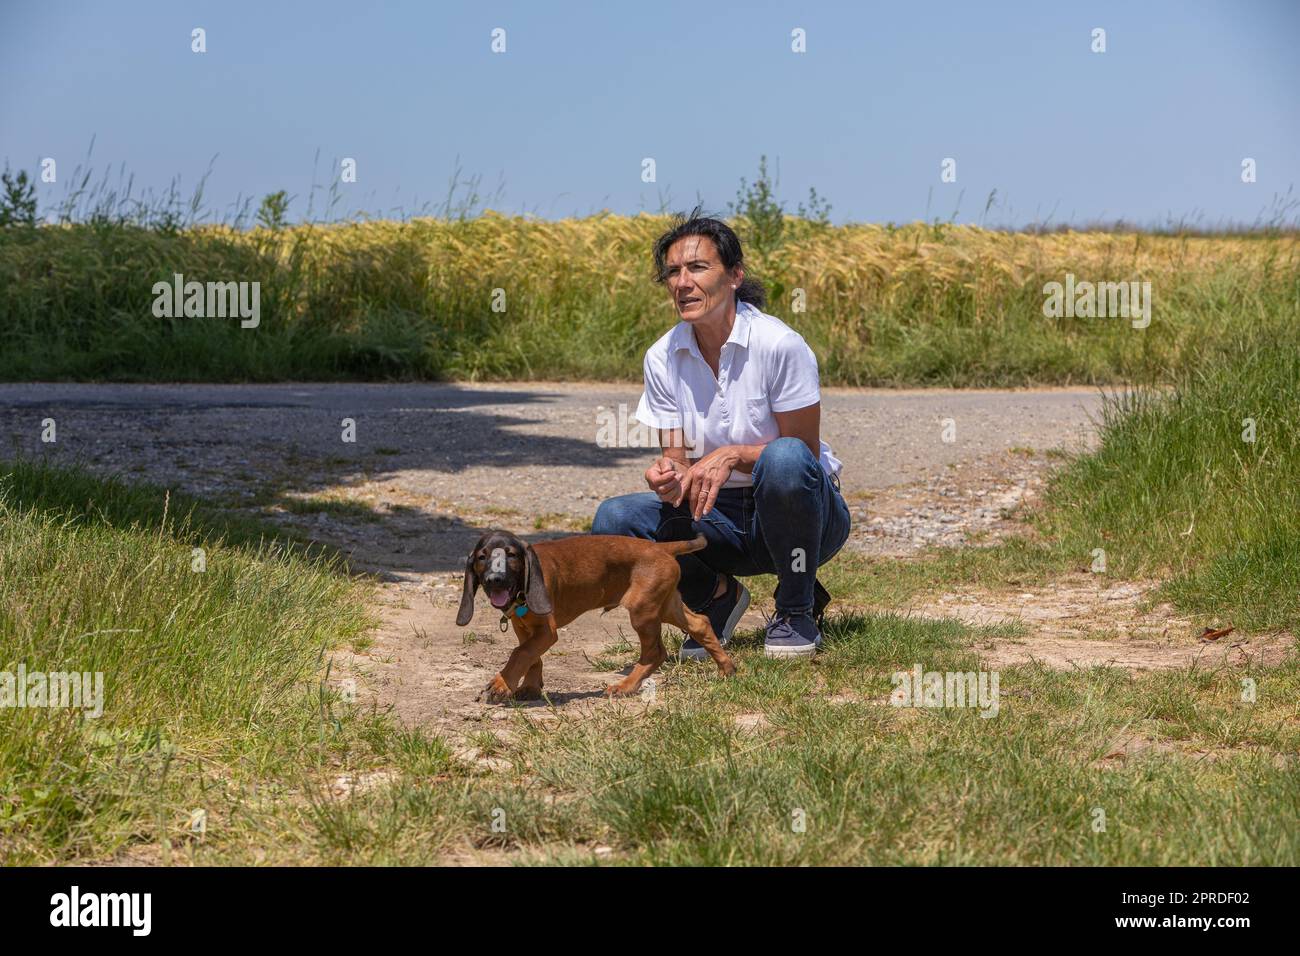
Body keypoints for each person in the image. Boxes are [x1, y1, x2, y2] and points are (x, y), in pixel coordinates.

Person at [591, 209, 850, 659]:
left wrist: (732, 454)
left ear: (734, 276)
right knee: (613, 520)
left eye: (697, 267)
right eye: (672, 272)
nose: (682, 282)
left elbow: (804, 453)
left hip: (806, 514)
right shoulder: (662, 356)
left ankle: (796, 609)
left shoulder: (780, 344)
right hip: (719, 521)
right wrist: (668, 476)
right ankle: (713, 598)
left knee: (783, 458)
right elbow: (678, 459)